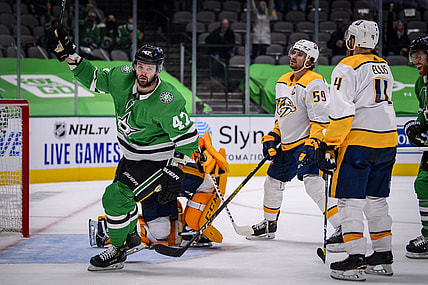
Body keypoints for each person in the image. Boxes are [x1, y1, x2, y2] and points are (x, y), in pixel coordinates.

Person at [47, 28, 199, 271]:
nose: (143, 72)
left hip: (156, 161)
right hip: (131, 157)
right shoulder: (123, 77)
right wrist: (69, 55)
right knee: (123, 200)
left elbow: (188, 138)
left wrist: (176, 170)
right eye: (140, 66)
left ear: (158, 70)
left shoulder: (168, 100)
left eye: (149, 68)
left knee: (115, 197)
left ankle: (117, 250)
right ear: (134, 65)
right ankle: (130, 239)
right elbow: (95, 77)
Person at [317, 20, 397, 281]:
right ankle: (383, 255)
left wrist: (329, 144)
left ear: (351, 41)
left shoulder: (347, 66)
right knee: (376, 200)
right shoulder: (383, 65)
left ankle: (354, 260)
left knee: (350, 201)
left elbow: (341, 112)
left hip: (359, 143)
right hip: (387, 142)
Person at [246, 39, 343, 252]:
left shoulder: (314, 82)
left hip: (308, 143)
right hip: (288, 146)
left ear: (310, 61)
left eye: (300, 54)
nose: (293, 57)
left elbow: (321, 120)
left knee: (313, 183)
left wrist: (314, 144)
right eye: (293, 52)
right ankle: (269, 225)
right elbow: (282, 117)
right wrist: (273, 135)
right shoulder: (282, 81)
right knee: (272, 181)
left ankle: (342, 228)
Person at [90, 132, 230, 250]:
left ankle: (189, 228)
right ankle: (109, 228)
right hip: (152, 180)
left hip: (166, 177)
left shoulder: (161, 120)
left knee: (162, 234)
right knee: (159, 233)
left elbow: (190, 140)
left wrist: (203, 153)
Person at [403, 35, 428, 259]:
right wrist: (416, 127)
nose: (415, 61)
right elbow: (423, 114)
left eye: (419, 56)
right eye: (413, 57)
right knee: (423, 184)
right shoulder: (420, 83)